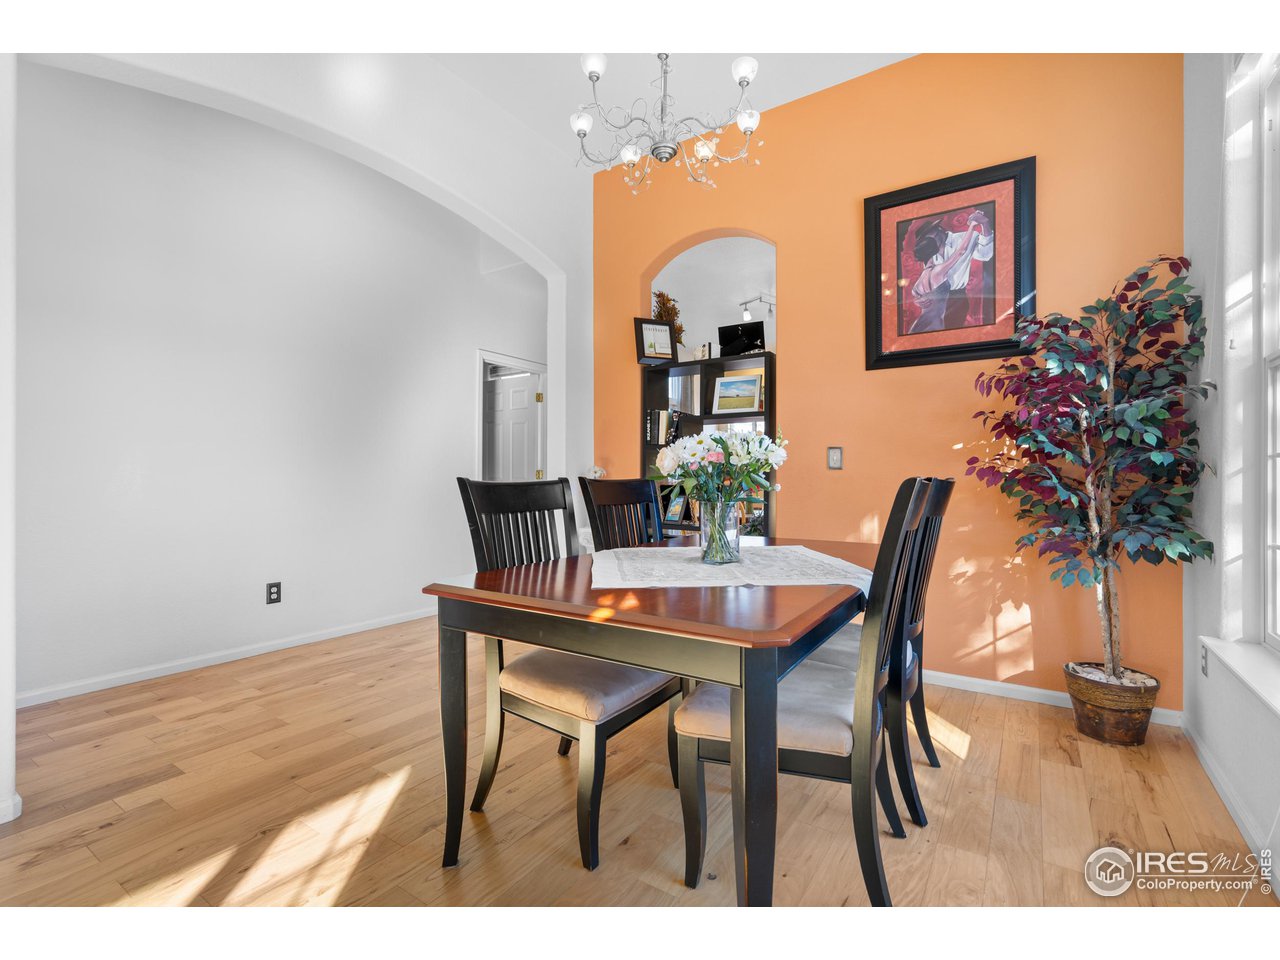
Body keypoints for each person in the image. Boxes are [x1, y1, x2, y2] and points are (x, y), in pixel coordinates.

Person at [906, 208, 992, 334]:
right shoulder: (930, 253)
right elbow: (926, 284)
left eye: (930, 236)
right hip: (935, 302)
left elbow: (985, 255)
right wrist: (918, 299)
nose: (930, 240)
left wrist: (984, 224)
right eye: (925, 239)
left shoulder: (963, 238)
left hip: (956, 298)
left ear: (938, 230)